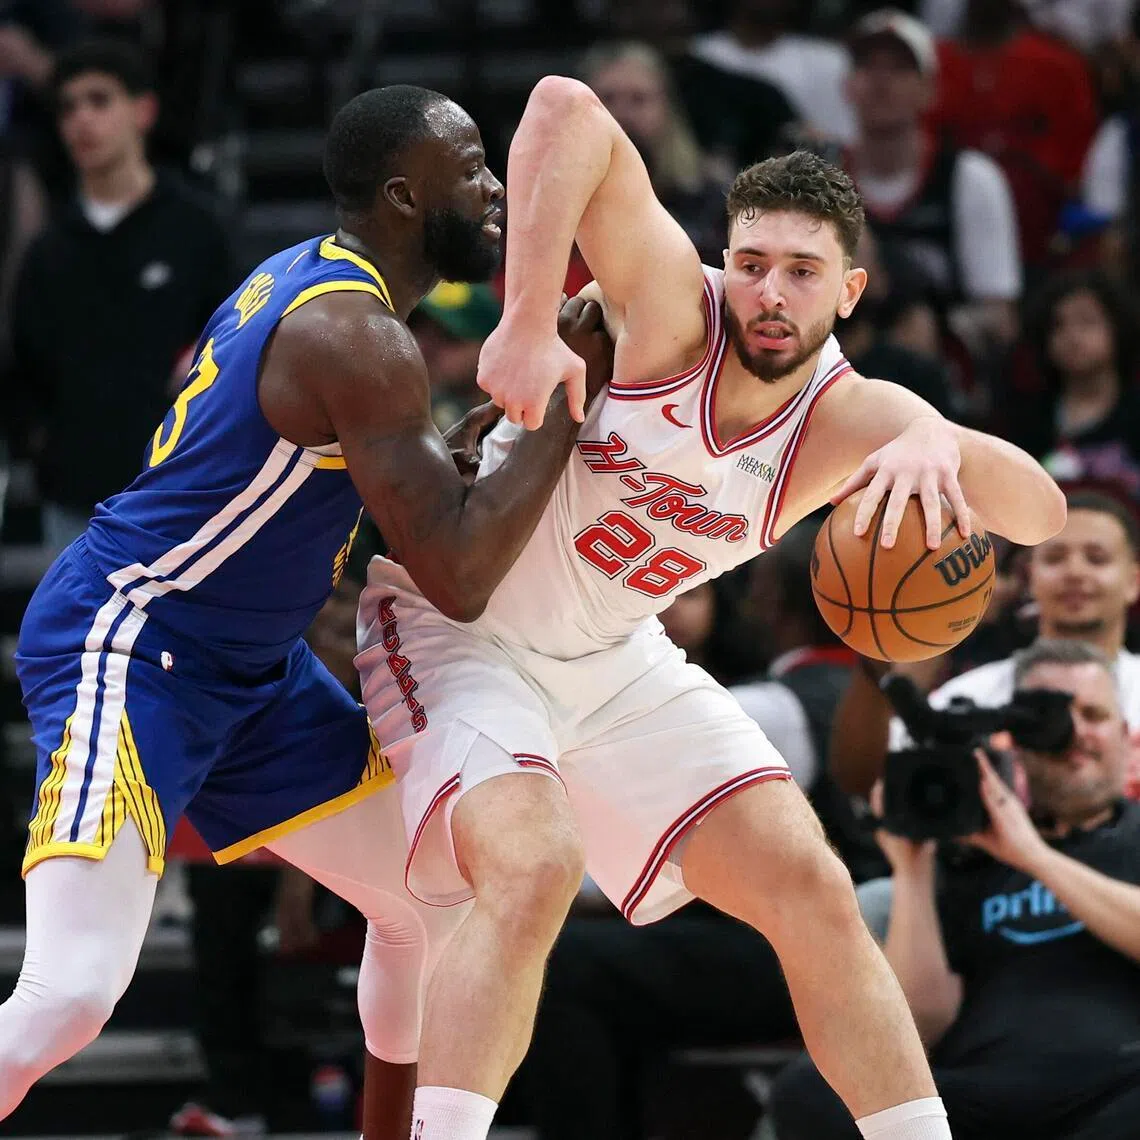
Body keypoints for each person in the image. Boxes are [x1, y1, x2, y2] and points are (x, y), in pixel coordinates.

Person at [358, 75, 1067, 1140]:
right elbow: (563, 107)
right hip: (458, 634)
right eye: (751, 263)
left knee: (811, 882)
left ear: (850, 291)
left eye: (802, 272)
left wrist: (932, 433)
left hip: (611, 658)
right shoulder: (670, 313)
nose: (769, 292)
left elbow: (1041, 512)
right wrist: (525, 321)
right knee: (537, 865)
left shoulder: (847, 416)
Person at [0, 82, 615, 1138]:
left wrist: (443, 457)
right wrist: (569, 397)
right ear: (404, 196)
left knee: (423, 901)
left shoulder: (307, 278)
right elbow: (459, 578)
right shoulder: (357, 337)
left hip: (248, 665)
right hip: (137, 639)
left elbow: (281, 473)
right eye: (472, 169)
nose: (495, 191)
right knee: (72, 994)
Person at [772, 639, 1140, 1140]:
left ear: (1126, 735)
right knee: (812, 1093)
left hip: (1116, 1084)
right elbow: (920, 1024)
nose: (1073, 734)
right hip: (983, 1092)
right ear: (1017, 739)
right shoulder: (969, 851)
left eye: (1093, 715)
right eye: (1049, 718)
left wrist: (1034, 856)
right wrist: (914, 870)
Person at [10, 39, 234, 554]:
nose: (82, 120)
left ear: (143, 110)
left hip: (182, 490)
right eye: (68, 107)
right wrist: (43, 444)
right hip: (75, 497)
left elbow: (237, 337)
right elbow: (27, 369)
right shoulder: (48, 251)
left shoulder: (197, 229)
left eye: (99, 100)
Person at [830, 489, 1140, 800]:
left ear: (1133, 581)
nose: (1074, 572)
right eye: (1055, 558)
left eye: (1097, 559)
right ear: (1029, 576)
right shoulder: (971, 696)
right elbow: (865, 781)